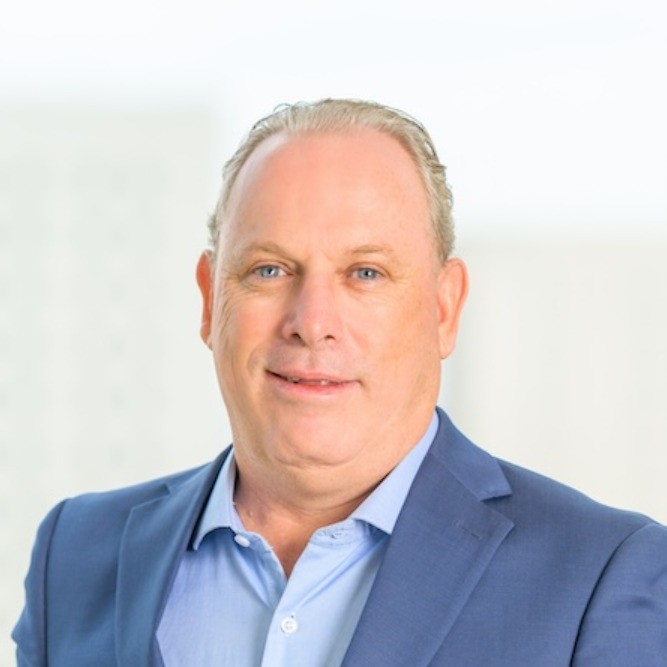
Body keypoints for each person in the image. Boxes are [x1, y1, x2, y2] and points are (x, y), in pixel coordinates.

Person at [13, 99, 667, 666]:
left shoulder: (600, 576)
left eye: (365, 273)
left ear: (444, 308)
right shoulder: (74, 555)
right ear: (210, 300)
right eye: (269, 270)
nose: (312, 322)